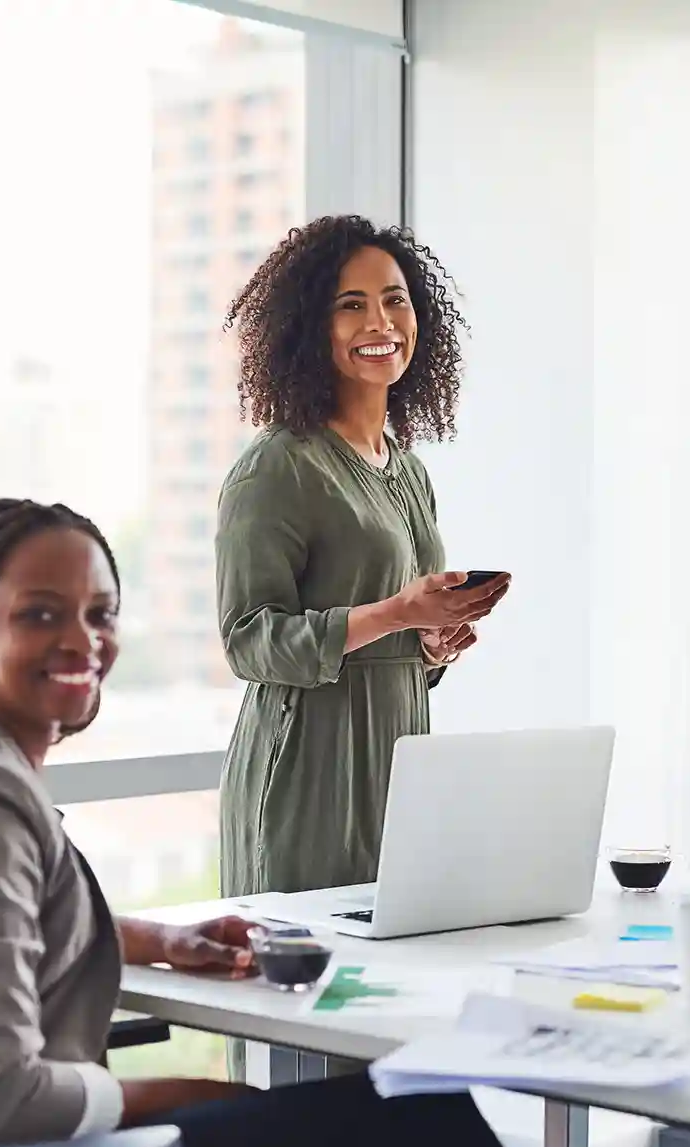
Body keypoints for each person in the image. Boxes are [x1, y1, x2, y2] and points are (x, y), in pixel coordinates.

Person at [0, 498, 588, 1147]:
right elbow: (5, 1100)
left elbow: (9, 916)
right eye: (40, 614)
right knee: (425, 1133)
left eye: (100, 613)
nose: (82, 640)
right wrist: (202, 1096)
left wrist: (160, 941)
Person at [216, 214, 508, 898]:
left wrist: (430, 640)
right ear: (309, 327)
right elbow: (248, 640)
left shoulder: (407, 471)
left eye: (395, 300)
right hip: (308, 769)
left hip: (398, 762)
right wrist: (396, 611)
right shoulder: (277, 467)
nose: (380, 322)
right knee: (304, 982)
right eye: (351, 305)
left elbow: (388, 632)